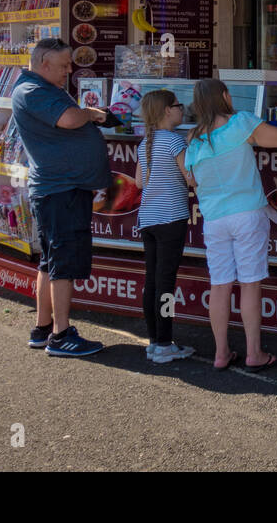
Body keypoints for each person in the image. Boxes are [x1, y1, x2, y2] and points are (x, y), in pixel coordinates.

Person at [12, 38, 112, 357]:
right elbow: (68, 119)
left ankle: (43, 327)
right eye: (64, 65)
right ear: (44, 64)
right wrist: (92, 114)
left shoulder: (41, 87)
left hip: (60, 189)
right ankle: (61, 334)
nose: (69, 70)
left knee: (51, 260)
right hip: (60, 190)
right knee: (63, 263)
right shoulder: (33, 90)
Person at [184, 78, 277, 370]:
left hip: (214, 220)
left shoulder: (193, 138)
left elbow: (191, 180)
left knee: (220, 286)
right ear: (225, 96)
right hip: (247, 214)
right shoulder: (240, 123)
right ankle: (254, 353)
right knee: (250, 285)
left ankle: (221, 353)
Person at [135, 90, 195, 365]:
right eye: (178, 106)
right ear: (167, 111)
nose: (181, 110)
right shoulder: (174, 141)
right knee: (166, 283)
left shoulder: (145, 142)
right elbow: (191, 178)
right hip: (172, 217)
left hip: (148, 218)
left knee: (152, 281)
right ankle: (164, 343)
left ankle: (154, 341)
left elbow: (139, 183)